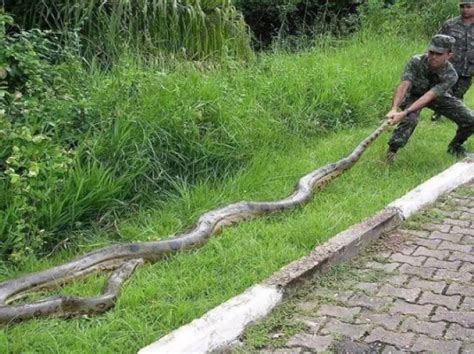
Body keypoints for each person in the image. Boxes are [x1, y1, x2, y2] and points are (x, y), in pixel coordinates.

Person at [385, 34, 474, 162]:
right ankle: (391, 153)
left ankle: (455, 147)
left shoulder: (451, 75)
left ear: (449, 55)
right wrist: (394, 109)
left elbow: (430, 96)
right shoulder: (416, 61)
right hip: (414, 95)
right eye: (431, 52)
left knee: (470, 119)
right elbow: (405, 84)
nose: (433, 56)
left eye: (439, 54)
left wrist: (404, 112)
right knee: (410, 120)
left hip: (437, 97)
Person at [432, 0, 474, 121]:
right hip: (450, 65)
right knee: (444, 90)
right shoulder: (450, 25)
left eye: (468, 7)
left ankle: (457, 116)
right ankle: (438, 113)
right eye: (462, 7)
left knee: (459, 94)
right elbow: (437, 41)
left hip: (468, 68)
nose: (465, 10)